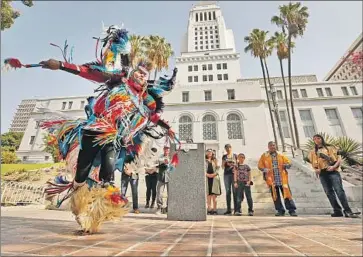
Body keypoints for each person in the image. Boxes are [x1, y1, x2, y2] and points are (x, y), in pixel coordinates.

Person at [12, 25, 180, 234]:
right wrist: (61, 65)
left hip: (114, 137)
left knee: (108, 171)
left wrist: (169, 130)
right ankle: (79, 200)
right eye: (138, 71)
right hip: (94, 129)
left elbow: (154, 117)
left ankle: (100, 211)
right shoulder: (117, 80)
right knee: (82, 170)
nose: (141, 75)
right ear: (132, 73)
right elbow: (88, 72)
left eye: (145, 75)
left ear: (148, 80)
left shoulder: (145, 100)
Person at [308, 134, 360, 218]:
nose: (317, 140)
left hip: (333, 171)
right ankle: (337, 210)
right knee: (329, 192)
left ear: (322, 139)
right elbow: (313, 162)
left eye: (318, 138)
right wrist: (316, 169)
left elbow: (339, 159)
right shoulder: (312, 151)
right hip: (322, 173)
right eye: (314, 139)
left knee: (339, 191)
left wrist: (334, 167)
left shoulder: (331, 147)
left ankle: (347, 211)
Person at [258, 141, 298, 217]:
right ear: (268, 147)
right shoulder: (264, 155)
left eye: (273, 145)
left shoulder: (280, 154)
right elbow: (260, 166)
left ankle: (291, 210)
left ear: (275, 146)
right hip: (271, 179)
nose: (272, 147)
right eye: (270, 145)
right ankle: (280, 210)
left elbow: (288, 163)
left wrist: (286, 165)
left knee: (287, 194)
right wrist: (265, 169)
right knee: (275, 195)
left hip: (282, 178)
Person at [221, 144, 238, 215]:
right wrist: (225, 162)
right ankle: (228, 209)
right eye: (226, 148)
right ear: (225, 149)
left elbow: (237, 165)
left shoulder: (235, 155)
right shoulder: (224, 156)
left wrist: (233, 165)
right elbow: (222, 167)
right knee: (228, 192)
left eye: (229, 148)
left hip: (234, 175)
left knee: (235, 192)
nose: (228, 149)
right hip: (226, 175)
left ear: (231, 148)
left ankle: (236, 209)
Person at [205, 149, 221, 215]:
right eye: (208, 152)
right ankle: (209, 209)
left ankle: (214, 210)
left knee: (214, 196)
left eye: (210, 152)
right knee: (208, 195)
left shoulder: (215, 160)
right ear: (206, 153)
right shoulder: (204, 161)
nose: (209, 153)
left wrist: (214, 174)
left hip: (214, 179)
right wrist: (207, 175)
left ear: (212, 153)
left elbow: (218, 169)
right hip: (207, 178)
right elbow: (202, 169)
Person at [156, 146, 171, 215]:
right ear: (163, 149)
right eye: (165, 149)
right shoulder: (160, 156)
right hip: (161, 177)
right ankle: (159, 208)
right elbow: (159, 161)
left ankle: (168, 208)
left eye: (168, 149)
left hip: (170, 177)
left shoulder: (172, 156)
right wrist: (164, 161)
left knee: (170, 194)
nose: (166, 150)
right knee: (159, 193)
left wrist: (169, 161)